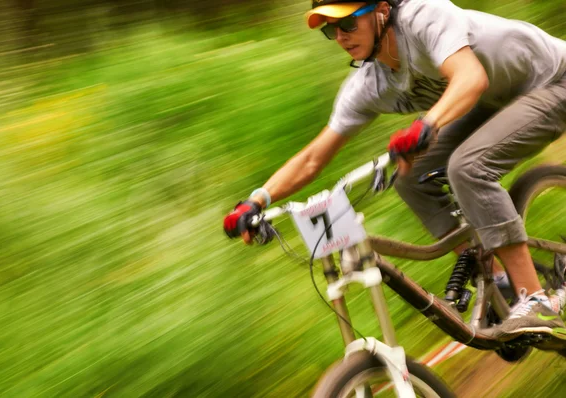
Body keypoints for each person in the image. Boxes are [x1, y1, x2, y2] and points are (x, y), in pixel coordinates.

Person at [223, 0, 566, 341]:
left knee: (467, 168)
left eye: (348, 23)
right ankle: (497, 280)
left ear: (381, 10)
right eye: (331, 30)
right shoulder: (369, 84)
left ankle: (534, 300)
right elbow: (314, 157)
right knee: (410, 178)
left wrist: (427, 125)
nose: (341, 36)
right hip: (492, 97)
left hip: (550, 81)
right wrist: (256, 201)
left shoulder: (424, 17)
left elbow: (470, 78)